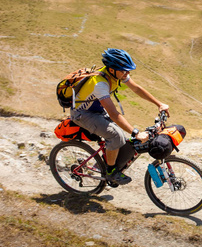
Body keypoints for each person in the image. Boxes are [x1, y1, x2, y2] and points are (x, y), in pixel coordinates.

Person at [70, 48, 169, 185]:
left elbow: (136, 89)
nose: (127, 74)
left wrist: (159, 104)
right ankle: (111, 172)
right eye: (124, 70)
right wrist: (136, 132)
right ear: (112, 69)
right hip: (83, 114)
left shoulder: (118, 74)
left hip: (96, 109)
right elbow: (113, 113)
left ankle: (104, 162)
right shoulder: (100, 84)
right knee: (116, 135)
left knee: (121, 136)